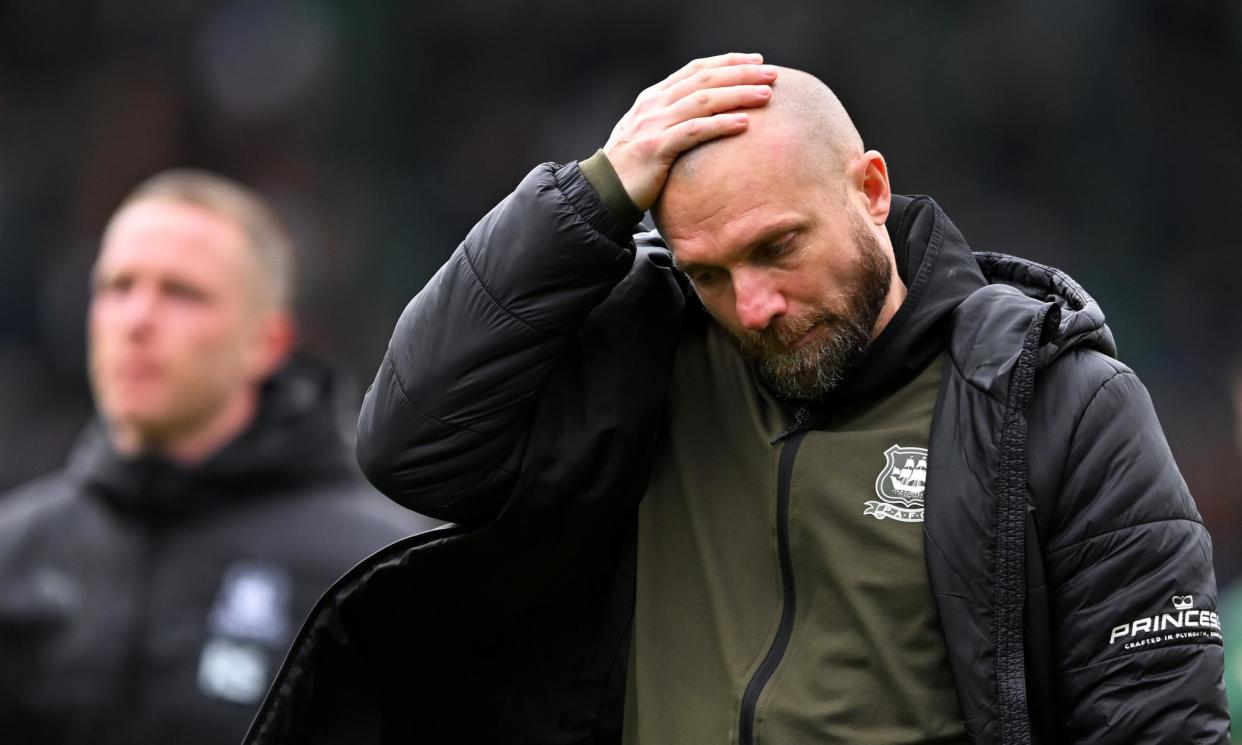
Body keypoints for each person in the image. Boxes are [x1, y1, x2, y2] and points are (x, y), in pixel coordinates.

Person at [245, 54, 1229, 744]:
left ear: (872, 189)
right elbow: (410, 444)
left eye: (778, 247)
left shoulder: (1059, 405)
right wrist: (589, 197)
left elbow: (1157, 721)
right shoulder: (648, 364)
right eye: (709, 271)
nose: (753, 305)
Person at [0, 169, 438, 744]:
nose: (137, 321)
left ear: (268, 343)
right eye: (117, 287)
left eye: (182, 293)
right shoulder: (16, 551)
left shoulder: (378, 570)